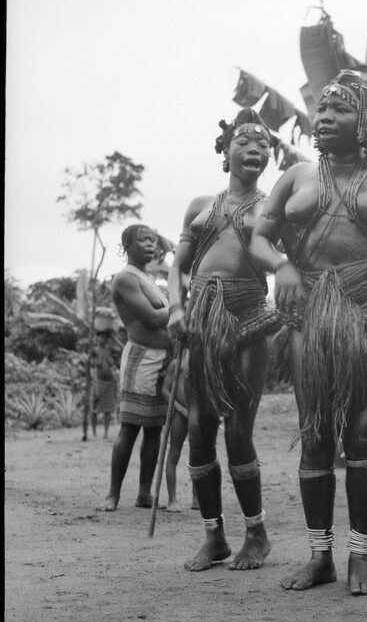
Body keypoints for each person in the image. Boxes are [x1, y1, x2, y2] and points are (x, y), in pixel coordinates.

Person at [250, 70, 367, 596]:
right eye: (322, 109)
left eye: (339, 110)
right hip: (310, 310)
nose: (325, 117)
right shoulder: (294, 176)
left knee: (360, 433)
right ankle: (320, 556)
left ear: (366, 120)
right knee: (315, 434)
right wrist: (282, 268)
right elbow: (260, 240)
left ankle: (360, 556)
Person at [167, 108, 281, 572]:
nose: (255, 148)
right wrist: (176, 308)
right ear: (225, 150)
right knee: (198, 429)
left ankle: (256, 533)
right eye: (245, 141)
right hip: (200, 322)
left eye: (264, 145)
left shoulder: (274, 207)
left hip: (250, 320)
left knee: (237, 430)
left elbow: (284, 259)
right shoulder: (199, 206)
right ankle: (213, 535)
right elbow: (178, 268)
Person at [97, 225, 172, 512]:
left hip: (161, 358)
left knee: (154, 429)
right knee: (130, 427)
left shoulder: (149, 277)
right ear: (128, 244)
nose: (151, 245)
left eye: (153, 239)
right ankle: (113, 494)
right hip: (141, 358)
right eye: (143, 240)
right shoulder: (126, 278)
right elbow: (154, 319)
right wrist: (178, 304)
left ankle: (144, 493)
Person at [159, 354, 198, 512]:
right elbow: (165, 391)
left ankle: (196, 498)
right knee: (174, 453)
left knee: (197, 455)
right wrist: (181, 410)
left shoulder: (200, 360)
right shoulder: (176, 363)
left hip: (196, 414)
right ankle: (172, 499)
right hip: (180, 414)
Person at [91, 329, 118, 439]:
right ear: (97, 338)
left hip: (109, 381)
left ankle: (106, 432)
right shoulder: (94, 350)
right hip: (98, 380)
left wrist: (113, 339)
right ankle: (93, 432)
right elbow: (93, 363)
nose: (102, 339)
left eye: (104, 337)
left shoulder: (110, 349)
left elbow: (120, 349)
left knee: (108, 408)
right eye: (100, 337)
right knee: (95, 407)